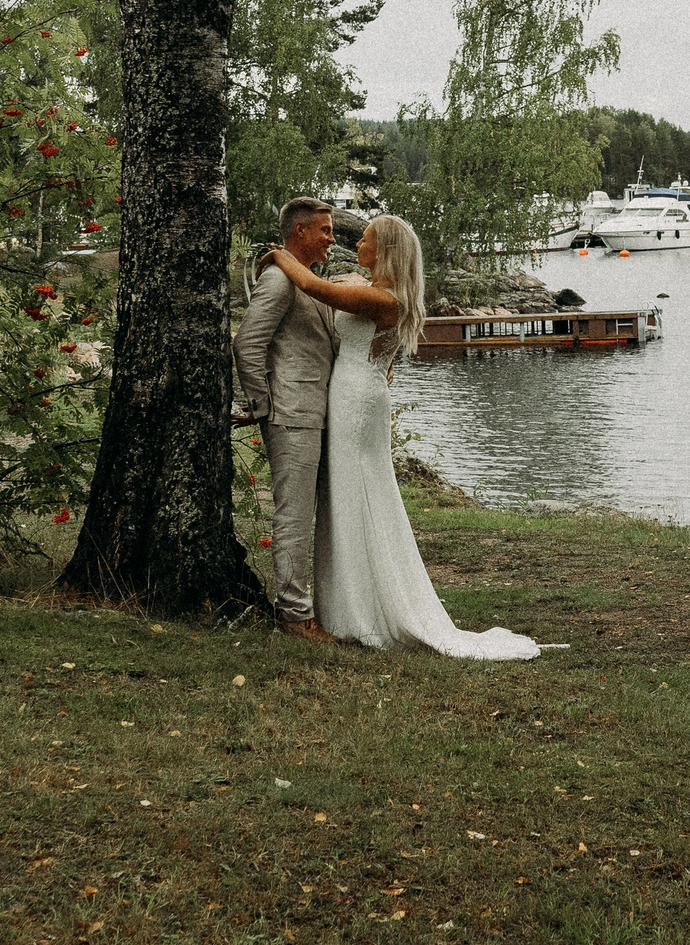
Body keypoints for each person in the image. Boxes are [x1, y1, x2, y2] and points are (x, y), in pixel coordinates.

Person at [262, 215, 539, 660]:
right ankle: (345, 606)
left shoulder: (382, 298)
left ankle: (360, 610)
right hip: (356, 392)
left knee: (357, 493)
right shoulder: (384, 293)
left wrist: (279, 255)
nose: (357, 246)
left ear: (386, 249)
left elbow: (315, 289)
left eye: (366, 241)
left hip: (355, 401)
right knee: (349, 494)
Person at [231, 197, 341, 642]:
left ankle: (319, 605)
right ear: (300, 232)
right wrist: (262, 406)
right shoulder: (279, 278)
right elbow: (247, 344)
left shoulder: (307, 278)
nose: (332, 238)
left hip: (316, 410)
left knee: (319, 513)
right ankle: (293, 615)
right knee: (293, 515)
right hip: (290, 413)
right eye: (326, 230)